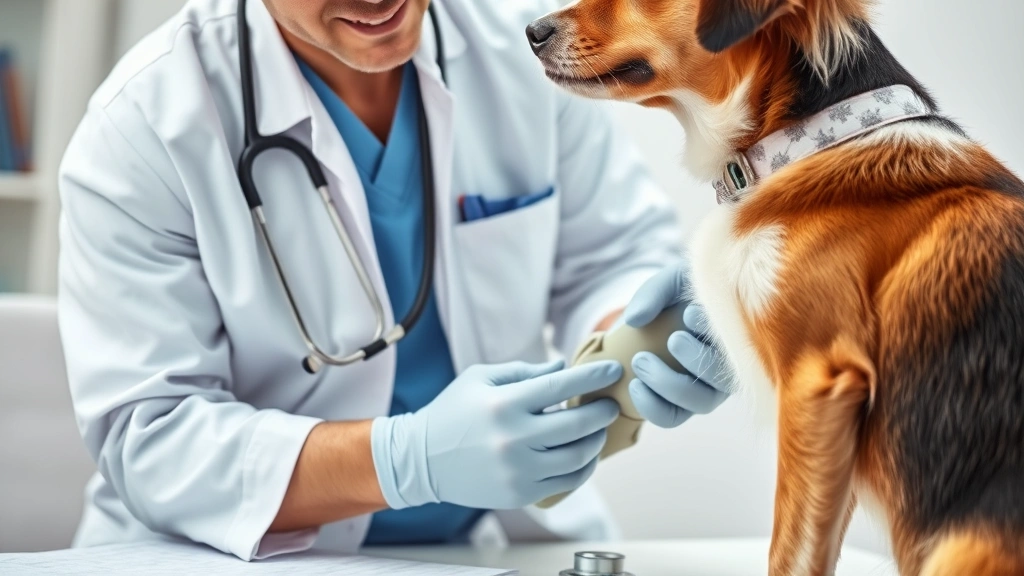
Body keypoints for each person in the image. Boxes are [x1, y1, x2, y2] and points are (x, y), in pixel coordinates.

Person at [55, 0, 732, 561]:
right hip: (228, 556)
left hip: (483, 547)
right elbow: (151, 437)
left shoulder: (520, 50)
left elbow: (613, 255)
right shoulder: (142, 126)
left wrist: (643, 337)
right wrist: (404, 461)